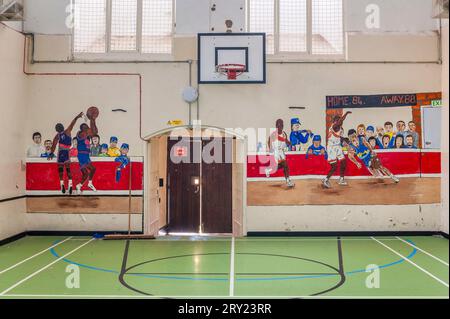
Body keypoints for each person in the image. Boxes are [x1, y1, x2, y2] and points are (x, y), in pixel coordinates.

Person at [48, 112, 83, 194]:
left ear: (56, 130)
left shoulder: (57, 136)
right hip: (66, 153)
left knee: (60, 170)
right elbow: (72, 123)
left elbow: (53, 145)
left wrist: (51, 153)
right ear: (63, 128)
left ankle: (62, 184)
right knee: (68, 170)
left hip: (60, 153)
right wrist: (77, 117)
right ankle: (70, 185)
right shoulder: (67, 131)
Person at [322, 111, 351, 189]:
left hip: (337, 146)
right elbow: (340, 121)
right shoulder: (334, 126)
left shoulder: (340, 128)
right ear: (335, 121)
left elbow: (338, 137)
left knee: (343, 162)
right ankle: (326, 179)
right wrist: (346, 114)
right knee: (334, 167)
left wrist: (344, 139)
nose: (340, 122)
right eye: (338, 121)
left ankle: (341, 179)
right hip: (331, 148)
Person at [264, 119, 294, 188]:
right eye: (278, 124)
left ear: (283, 125)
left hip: (282, 152)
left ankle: (269, 170)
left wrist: (289, 143)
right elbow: (269, 142)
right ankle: (288, 181)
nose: (280, 126)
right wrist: (270, 151)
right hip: (276, 152)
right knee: (285, 164)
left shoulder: (284, 133)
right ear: (276, 126)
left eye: (281, 124)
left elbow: (286, 141)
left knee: (282, 166)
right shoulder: (273, 134)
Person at [75, 113, 99, 193]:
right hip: (82, 155)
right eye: (86, 127)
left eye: (87, 127)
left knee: (85, 174)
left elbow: (95, 132)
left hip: (86, 155)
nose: (88, 128)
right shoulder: (81, 134)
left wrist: (93, 120)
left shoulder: (87, 135)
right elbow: (92, 131)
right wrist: (91, 120)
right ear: (82, 129)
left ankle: (79, 185)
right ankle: (90, 183)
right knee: (92, 169)